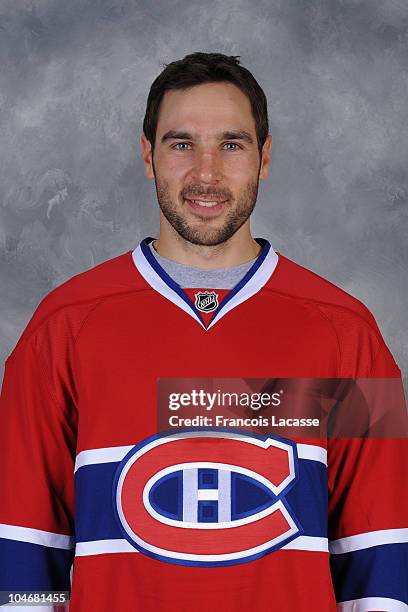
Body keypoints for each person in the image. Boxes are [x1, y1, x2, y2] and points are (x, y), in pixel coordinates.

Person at [0, 52, 406, 612]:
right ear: (148, 155)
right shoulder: (63, 325)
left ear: (265, 157)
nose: (206, 174)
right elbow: (23, 549)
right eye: (182, 143)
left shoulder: (346, 332)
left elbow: (380, 557)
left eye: (232, 144)